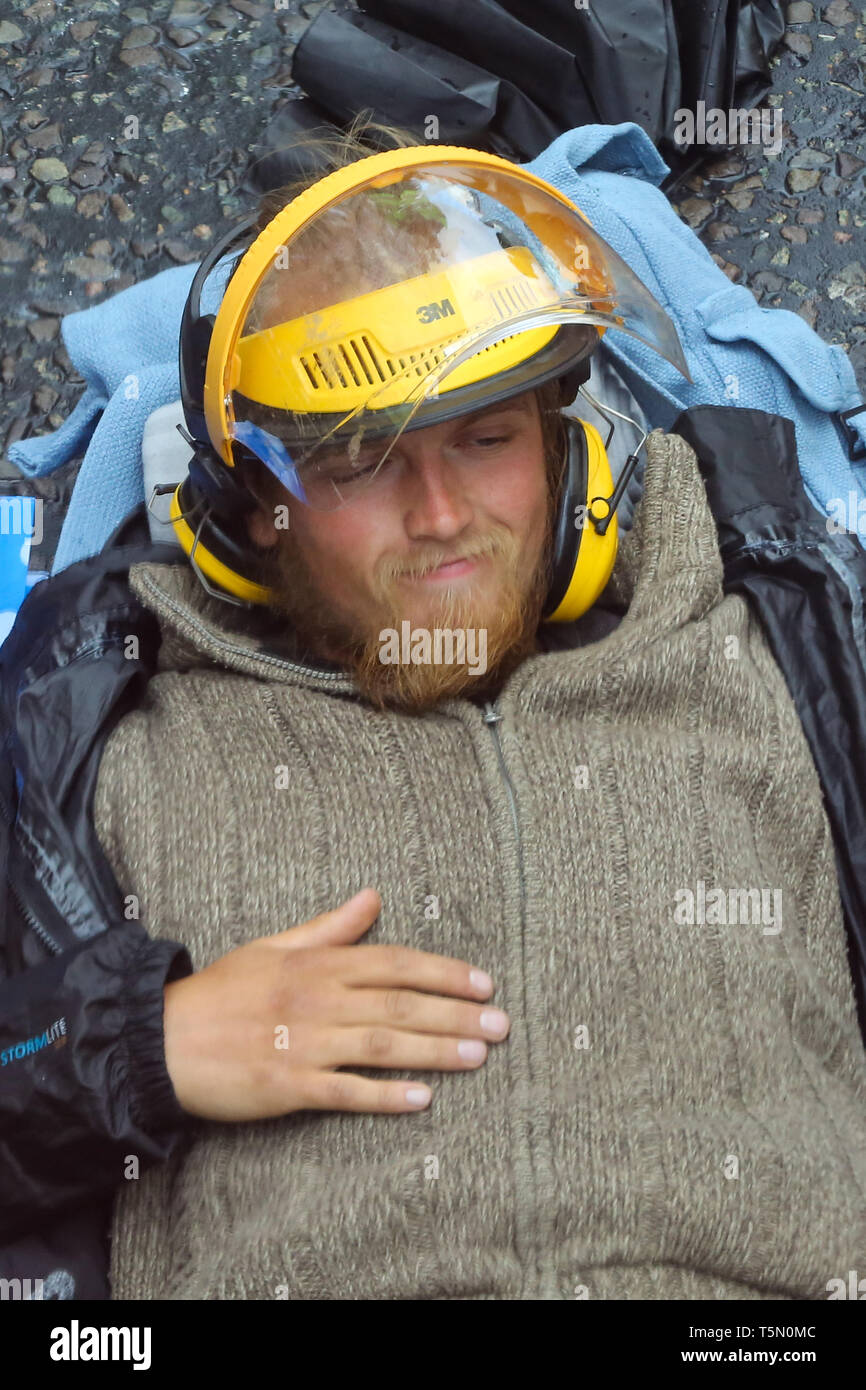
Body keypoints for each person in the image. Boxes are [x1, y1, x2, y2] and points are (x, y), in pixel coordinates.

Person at [5, 117, 866, 1301]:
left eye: (487, 438)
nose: (444, 513)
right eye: (362, 459)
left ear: (577, 458)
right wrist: (125, 1047)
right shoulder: (125, 729)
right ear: (258, 509)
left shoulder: (760, 652)